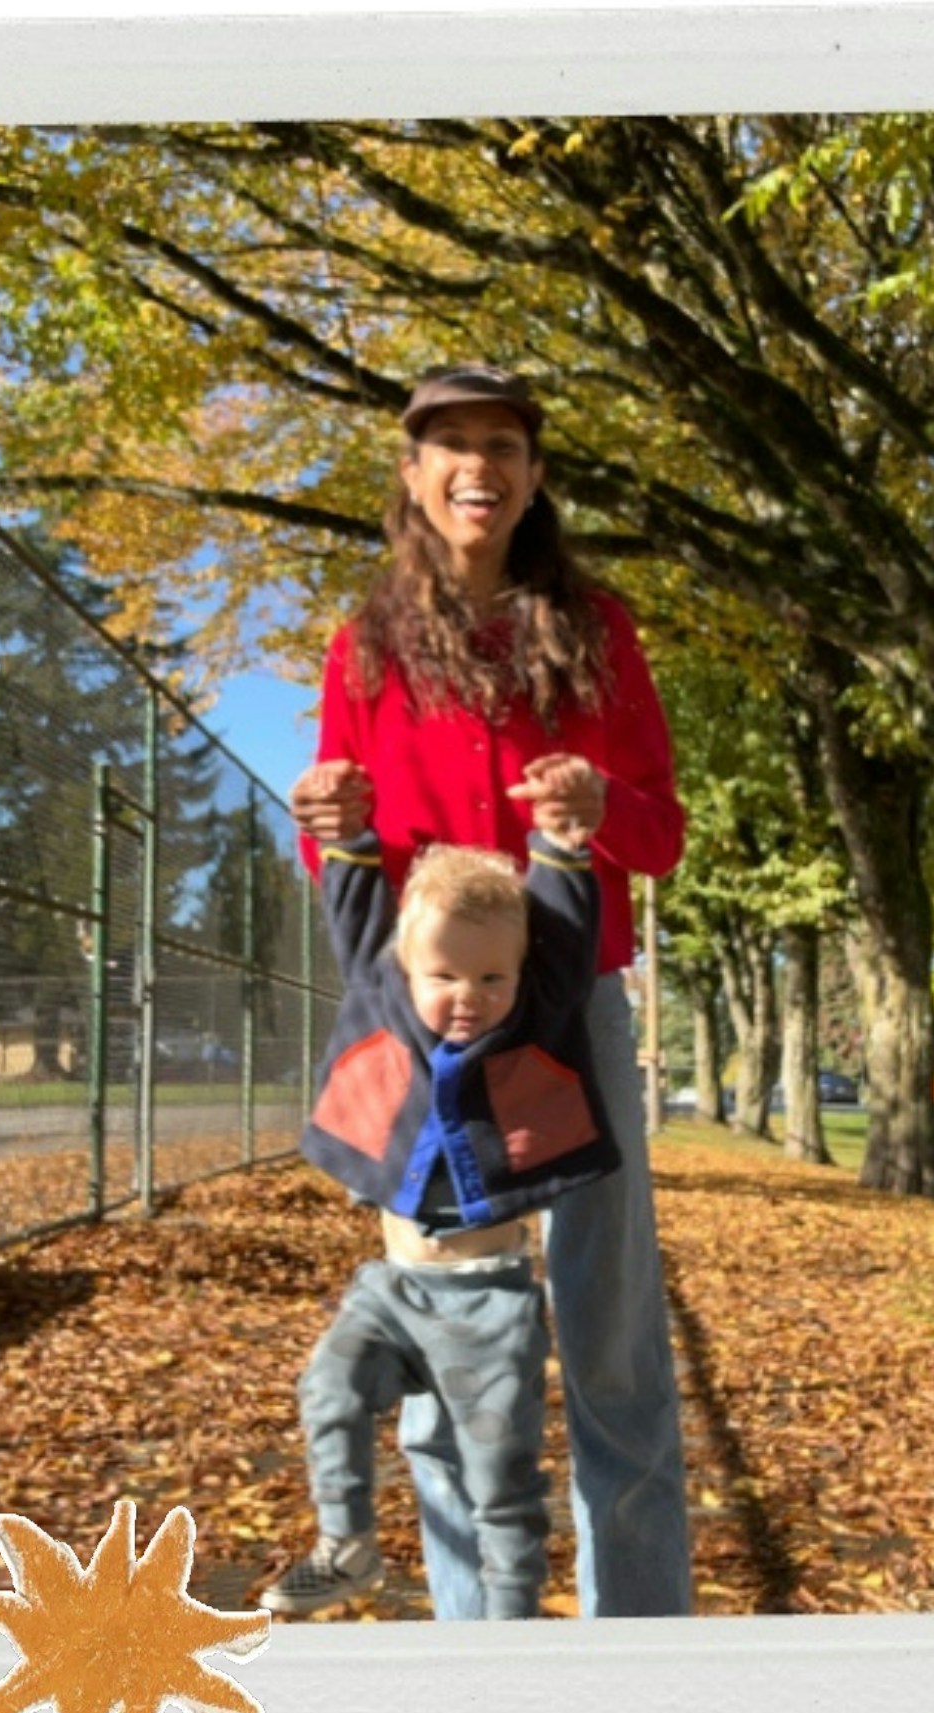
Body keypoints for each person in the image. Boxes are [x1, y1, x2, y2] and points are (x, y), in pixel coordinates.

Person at [289, 365, 694, 1619]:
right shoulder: (364, 651)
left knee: (614, 1343)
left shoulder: (599, 632)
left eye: (504, 444)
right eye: (450, 444)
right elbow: (338, 844)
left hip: (573, 1018)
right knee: (443, 1346)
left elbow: (663, 836)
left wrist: (599, 808)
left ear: (533, 476)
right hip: (433, 1043)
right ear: (413, 474)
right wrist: (318, 822)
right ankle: (481, 1646)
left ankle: (640, 1638)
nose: (480, 465)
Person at [260, 823, 609, 1624]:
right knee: (330, 1388)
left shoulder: (530, 1034)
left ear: (521, 975)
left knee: (499, 1480)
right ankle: (346, 1545)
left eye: (492, 976)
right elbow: (355, 928)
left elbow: (564, 946)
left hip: (488, 1306)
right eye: (444, 975)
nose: (469, 995)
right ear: (405, 971)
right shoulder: (385, 1014)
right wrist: (347, 836)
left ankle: (510, 1623)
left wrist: (560, 846)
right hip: (390, 1295)